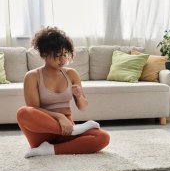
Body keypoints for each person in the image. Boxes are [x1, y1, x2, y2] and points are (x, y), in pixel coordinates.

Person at [17, 26, 110, 158]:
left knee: (103, 137)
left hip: (66, 131)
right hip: (43, 133)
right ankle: (72, 132)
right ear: (44, 54)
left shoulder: (71, 74)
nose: (62, 60)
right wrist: (60, 117)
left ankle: (49, 150)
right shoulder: (32, 76)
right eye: (57, 56)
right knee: (23, 112)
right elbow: (34, 109)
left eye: (65, 54)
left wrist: (79, 96)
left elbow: (83, 107)